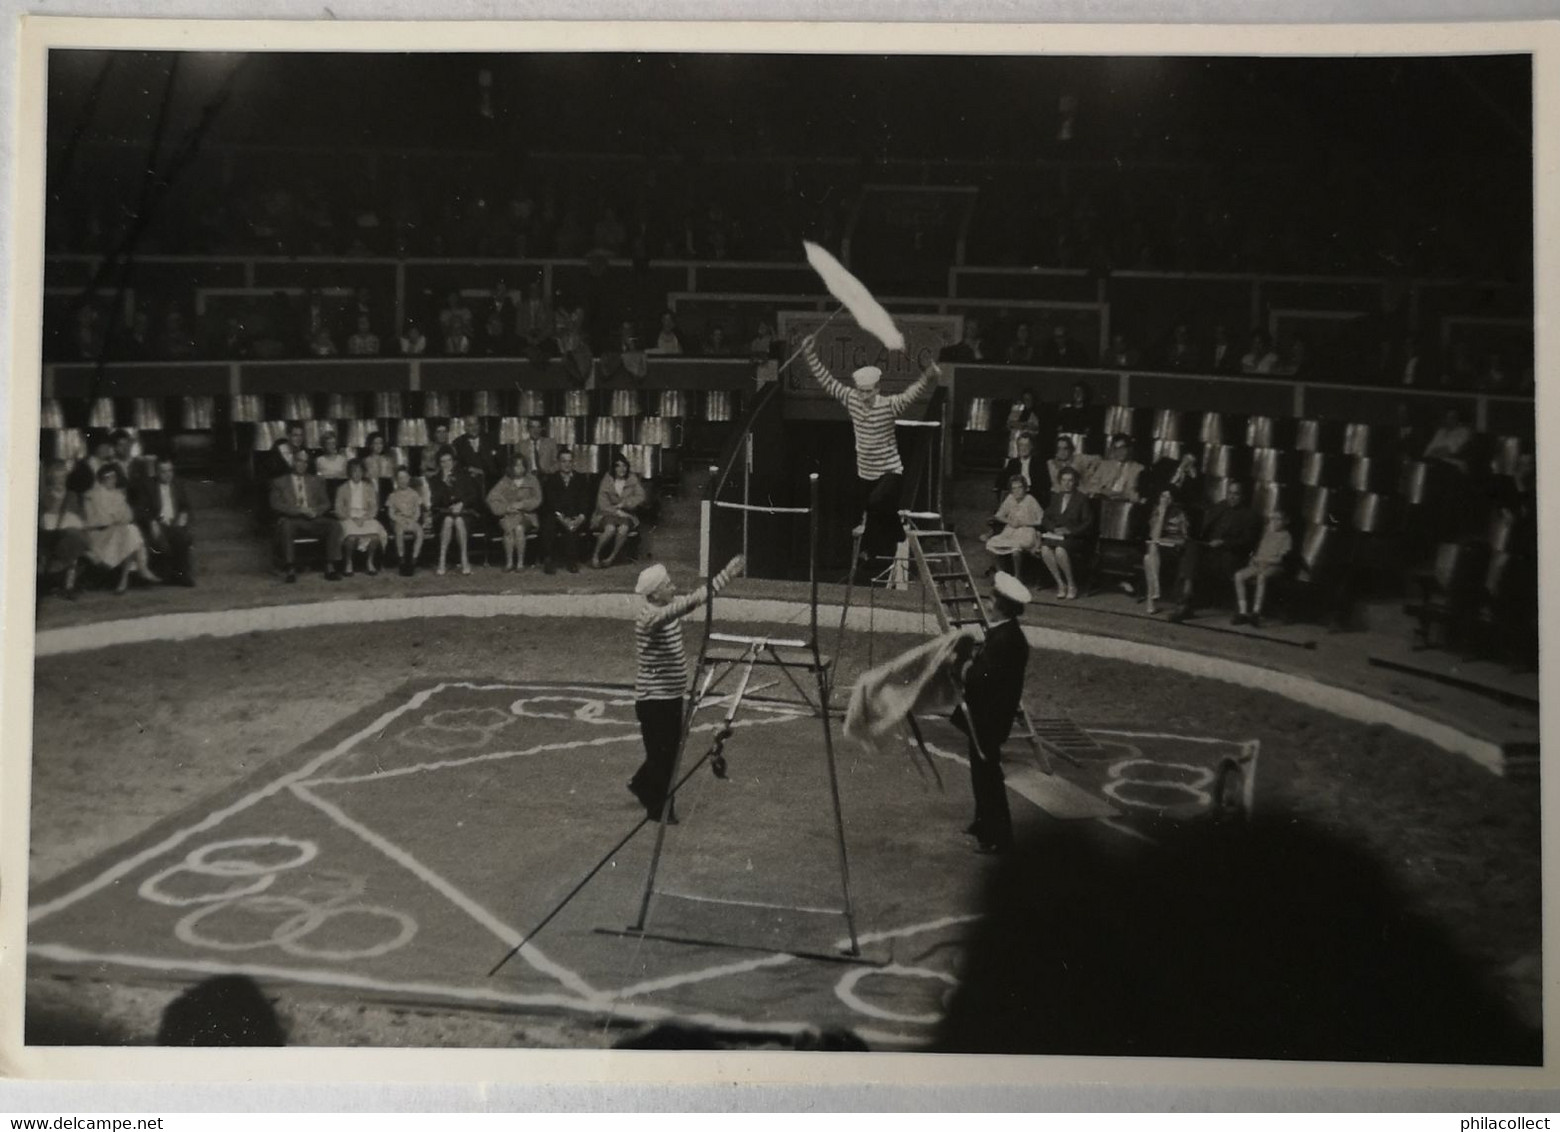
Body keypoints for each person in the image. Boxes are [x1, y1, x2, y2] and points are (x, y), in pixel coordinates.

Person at [801, 333, 941, 581]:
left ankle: (875, 548)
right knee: (867, 510)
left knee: (876, 504)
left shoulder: (888, 405)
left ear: (877, 388)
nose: (864, 397)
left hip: (889, 470)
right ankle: (894, 533)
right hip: (864, 472)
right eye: (861, 392)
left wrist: (926, 377)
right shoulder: (851, 399)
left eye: (868, 392)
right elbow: (827, 381)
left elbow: (911, 394)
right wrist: (809, 354)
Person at [629, 555, 746, 822]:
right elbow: (690, 603)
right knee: (665, 756)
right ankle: (658, 809)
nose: (673, 587)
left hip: (668, 697)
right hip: (655, 700)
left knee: (666, 751)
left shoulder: (663, 610)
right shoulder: (652, 617)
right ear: (655, 594)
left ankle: (641, 785)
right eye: (667, 585)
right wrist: (724, 576)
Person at [951, 571, 1032, 855]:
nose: (987, 602)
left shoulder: (1005, 639)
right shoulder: (1003, 632)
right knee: (980, 770)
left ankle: (998, 835)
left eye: (991, 598)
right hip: (987, 714)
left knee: (988, 774)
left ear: (1001, 605)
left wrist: (962, 669)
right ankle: (984, 822)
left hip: (990, 717)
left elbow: (981, 677)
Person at [1167, 480, 1262, 623]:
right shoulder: (1220, 507)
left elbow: (1247, 542)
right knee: (1191, 549)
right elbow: (1204, 529)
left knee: (1191, 559)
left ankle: (1184, 604)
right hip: (1210, 550)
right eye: (1229, 493)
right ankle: (1185, 600)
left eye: (1236, 494)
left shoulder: (1250, 515)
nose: (1231, 497)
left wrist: (1224, 543)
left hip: (1229, 555)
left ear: (1243, 496)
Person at [82, 464, 160, 594]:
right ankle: (141, 569)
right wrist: (115, 520)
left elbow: (128, 516)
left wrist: (117, 519)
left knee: (131, 532)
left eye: (113, 477)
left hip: (117, 534)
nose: (111, 480)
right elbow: (93, 521)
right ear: (101, 479)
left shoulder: (119, 495)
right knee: (131, 533)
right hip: (99, 536)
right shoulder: (92, 496)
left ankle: (123, 582)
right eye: (108, 477)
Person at [269, 449, 344, 584]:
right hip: (292, 519)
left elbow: (326, 503)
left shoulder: (316, 480)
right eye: (298, 461)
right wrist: (299, 510)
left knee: (334, 525)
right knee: (286, 525)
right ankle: (290, 568)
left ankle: (330, 566)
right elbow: (276, 504)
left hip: (313, 519)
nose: (301, 465)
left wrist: (315, 511)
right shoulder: (279, 482)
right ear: (293, 461)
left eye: (305, 462)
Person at [1141, 453, 1200, 615]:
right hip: (1160, 547)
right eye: (1163, 496)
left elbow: (1185, 537)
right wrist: (1162, 512)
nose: (1165, 499)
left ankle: (1152, 597)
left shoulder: (1180, 513)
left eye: (1168, 497)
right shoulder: (1157, 511)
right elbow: (1155, 535)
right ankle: (1152, 596)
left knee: (1150, 555)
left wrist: (1177, 541)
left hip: (1175, 549)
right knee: (1149, 555)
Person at [130, 457, 196, 586]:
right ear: (157, 472)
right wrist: (152, 521)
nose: (167, 475)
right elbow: (141, 509)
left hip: (175, 522)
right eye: (163, 471)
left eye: (170, 471)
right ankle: (168, 574)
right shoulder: (148, 485)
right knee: (162, 541)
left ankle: (182, 575)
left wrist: (183, 515)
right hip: (158, 523)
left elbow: (185, 505)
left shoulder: (178, 484)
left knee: (181, 537)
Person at [1035, 466, 1093, 600]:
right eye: (1064, 480)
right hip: (1056, 534)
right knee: (1044, 549)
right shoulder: (1056, 497)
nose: (1067, 484)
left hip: (1075, 537)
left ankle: (1072, 584)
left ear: (1075, 482)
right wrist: (1053, 528)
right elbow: (1046, 517)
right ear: (1060, 482)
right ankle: (1061, 584)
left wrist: (1070, 531)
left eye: (1070, 480)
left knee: (1060, 551)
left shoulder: (1082, 499)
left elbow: (1087, 523)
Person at [1232, 511, 1293, 627]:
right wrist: (1254, 559)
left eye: (1278, 519)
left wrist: (1266, 561)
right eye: (1272, 519)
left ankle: (1256, 612)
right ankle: (1243, 612)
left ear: (1285, 521)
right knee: (1238, 576)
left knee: (1261, 577)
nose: (1274, 522)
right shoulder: (1267, 533)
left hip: (1274, 566)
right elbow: (1258, 552)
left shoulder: (1286, 536)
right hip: (1258, 564)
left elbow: (1281, 559)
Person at [37, 459, 88, 599]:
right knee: (72, 540)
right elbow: (48, 511)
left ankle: (69, 585)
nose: (60, 480)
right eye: (57, 477)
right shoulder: (46, 493)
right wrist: (58, 498)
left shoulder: (72, 494)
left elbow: (79, 514)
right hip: (52, 529)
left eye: (63, 477)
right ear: (51, 477)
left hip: (71, 529)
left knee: (75, 540)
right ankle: (65, 583)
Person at [428, 448, 482, 576]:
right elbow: (435, 502)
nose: (446, 464)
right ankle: (442, 560)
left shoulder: (464, 475)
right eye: (443, 461)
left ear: (453, 461)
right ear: (439, 464)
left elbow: (474, 495)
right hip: (443, 513)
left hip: (465, 512)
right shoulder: (435, 480)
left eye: (449, 461)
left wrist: (461, 503)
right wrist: (444, 484)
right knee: (448, 520)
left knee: (458, 520)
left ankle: (464, 559)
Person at [540, 448, 593, 574]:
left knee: (573, 528)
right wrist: (562, 518)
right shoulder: (551, 480)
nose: (567, 464)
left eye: (569, 461)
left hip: (576, 515)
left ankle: (572, 561)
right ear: (558, 463)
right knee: (549, 525)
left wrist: (581, 517)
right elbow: (551, 502)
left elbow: (586, 500)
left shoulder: (581, 479)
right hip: (556, 515)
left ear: (573, 462)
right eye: (563, 461)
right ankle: (549, 560)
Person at [486, 455, 542, 572]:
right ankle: (509, 562)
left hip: (527, 516)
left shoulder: (532, 480)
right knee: (509, 529)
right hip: (509, 515)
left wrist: (522, 505)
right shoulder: (505, 481)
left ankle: (520, 563)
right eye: (516, 465)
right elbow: (491, 498)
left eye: (522, 465)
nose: (519, 468)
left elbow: (537, 499)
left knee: (519, 529)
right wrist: (506, 508)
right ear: (511, 467)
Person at [591, 453, 648, 569]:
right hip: (606, 513)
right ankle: (595, 555)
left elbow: (641, 496)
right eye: (618, 466)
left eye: (624, 466)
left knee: (623, 529)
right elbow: (601, 503)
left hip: (626, 514)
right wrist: (615, 511)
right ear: (614, 467)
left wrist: (625, 504)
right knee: (610, 529)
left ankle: (611, 558)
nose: (622, 469)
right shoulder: (607, 479)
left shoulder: (632, 479)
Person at [334, 458, 387, 576]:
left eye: (359, 471)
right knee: (351, 538)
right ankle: (348, 562)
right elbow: (338, 509)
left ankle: (370, 561)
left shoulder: (369, 488)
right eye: (354, 471)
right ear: (349, 473)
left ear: (363, 472)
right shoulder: (342, 488)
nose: (356, 474)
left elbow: (374, 507)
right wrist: (351, 518)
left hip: (365, 517)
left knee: (375, 536)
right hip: (348, 518)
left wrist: (364, 518)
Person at [985, 476, 1042, 575]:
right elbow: (998, 515)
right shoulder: (1010, 498)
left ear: (1025, 488)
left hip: (1026, 531)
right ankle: (1001, 573)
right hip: (1010, 530)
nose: (1017, 491)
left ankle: (1018, 576)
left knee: (1016, 549)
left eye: (1020, 487)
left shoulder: (1030, 499)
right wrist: (1009, 521)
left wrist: (1024, 523)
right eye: (1014, 488)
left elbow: (1041, 520)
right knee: (991, 544)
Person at [385, 466, 426, 576]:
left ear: (409, 479)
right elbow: (391, 513)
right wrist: (399, 520)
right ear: (397, 480)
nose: (403, 481)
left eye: (405, 478)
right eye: (400, 478)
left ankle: (414, 559)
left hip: (411, 520)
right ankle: (401, 559)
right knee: (399, 531)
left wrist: (413, 520)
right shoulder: (393, 495)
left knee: (420, 532)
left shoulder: (414, 494)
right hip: (399, 520)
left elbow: (418, 511)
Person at [1083, 434, 1144, 502]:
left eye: (1122, 448)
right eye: (1116, 448)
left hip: (1125, 503)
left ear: (1129, 448)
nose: (1119, 452)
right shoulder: (1105, 465)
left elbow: (1139, 494)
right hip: (1103, 500)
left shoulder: (1138, 469)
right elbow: (1090, 486)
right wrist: (1102, 491)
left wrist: (1124, 495)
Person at [453, 414, 500, 487]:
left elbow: (498, 465)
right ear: (465, 427)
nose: (474, 428)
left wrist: (483, 472)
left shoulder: (491, 440)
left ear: (479, 425)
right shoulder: (458, 443)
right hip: (468, 486)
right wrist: (468, 469)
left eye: (476, 424)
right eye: (470, 425)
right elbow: (456, 466)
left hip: (490, 484)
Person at [995, 434, 1041, 503]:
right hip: (1015, 496)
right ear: (1017, 447)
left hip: (1033, 497)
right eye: (1021, 445)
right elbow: (1002, 482)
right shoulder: (1013, 463)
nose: (1023, 448)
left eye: (1026, 445)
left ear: (1031, 447)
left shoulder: (1039, 464)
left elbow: (1042, 487)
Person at [1004, 390, 1041, 456]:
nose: (1027, 402)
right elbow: (1009, 424)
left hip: (1027, 447)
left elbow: (1035, 428)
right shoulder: (1016, 410)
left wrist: (1023, 426)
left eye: (1029, 399)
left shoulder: (1036, 413)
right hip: (1014, 445)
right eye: (1025, 399)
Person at [314, 430, 350, 495]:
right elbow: (318, 477)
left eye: (333, 443)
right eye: (328, 444)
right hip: (324, 490)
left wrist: (329, 475)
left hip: (340, 489)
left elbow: (345, 477)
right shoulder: (319, 460)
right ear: (324, 445)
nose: (332, 446)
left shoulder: (343, 459)